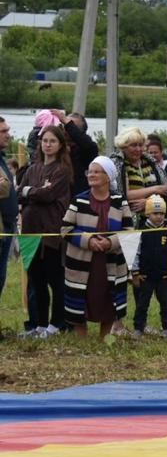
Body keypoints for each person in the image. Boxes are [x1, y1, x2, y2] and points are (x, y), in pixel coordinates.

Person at [62, 157, 129, 338]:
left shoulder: (119, 201)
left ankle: (105, 338)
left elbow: (129, 231)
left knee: (108, 298)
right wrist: (88, 241)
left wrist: (110, 243)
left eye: (96, 171)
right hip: (82, 261)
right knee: (80, 298)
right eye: (89, 171)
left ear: (108, 176)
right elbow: (65, 228)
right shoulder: (79, 200)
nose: (91, 174)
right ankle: (81, 338)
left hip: (111, 261)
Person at [18, 123, 72, 336]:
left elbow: (48, 196)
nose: (48, 145)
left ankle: (56, 324)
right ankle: (39, 324)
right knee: (36, 280)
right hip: (30, 232)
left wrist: (33, 192)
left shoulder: (62, 171)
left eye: (52, 141)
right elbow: (20, 192)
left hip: (50, 233)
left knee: (55, 280)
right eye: (45, 141)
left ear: (60, 145)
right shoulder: (32, 169)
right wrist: (34, 190)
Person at [130, 194, 167, 337]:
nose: (159, 217)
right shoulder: (141, 231)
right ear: (148, 213)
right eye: (155, 213)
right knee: (142, 304)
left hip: (164, 275)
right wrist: (135, 273)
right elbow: (136, 252)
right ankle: (139, 328)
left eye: (162, 213)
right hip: (145, 275)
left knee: (166, 304)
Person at [110, 127, 167, 228]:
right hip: (127, 220)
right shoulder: (117, 163)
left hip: (154, 219)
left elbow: (166, 190)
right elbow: (123, 194)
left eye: (141, 145)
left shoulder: (151, 162)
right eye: (133, 145)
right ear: (123, 146)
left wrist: (148, 202)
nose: (138, 149)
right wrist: (155, 189)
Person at [0, 118, 15, 306]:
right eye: (3, 131)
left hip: (6, 226)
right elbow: (3, 188)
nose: (8, 134)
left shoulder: (1, 157)